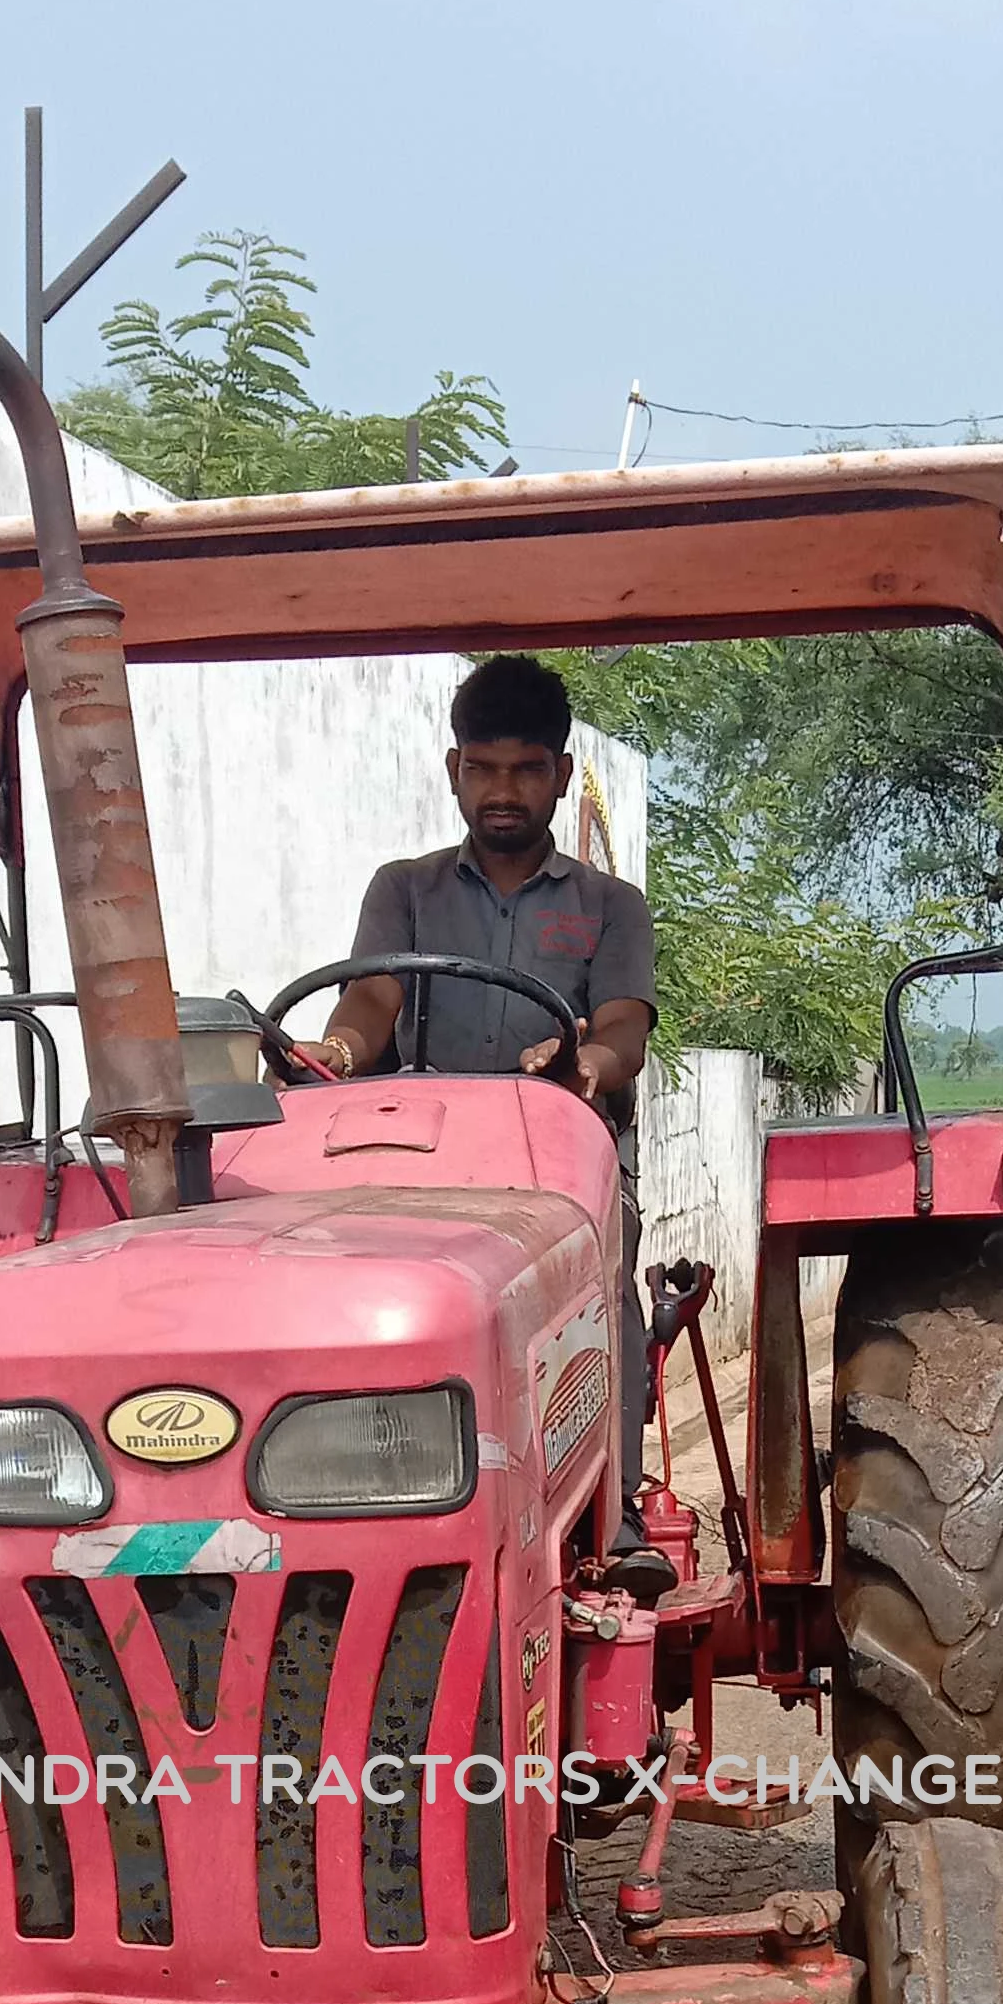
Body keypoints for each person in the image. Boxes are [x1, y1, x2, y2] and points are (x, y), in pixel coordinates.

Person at [299, 652, 663, 1577]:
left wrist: (589, 1061)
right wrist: (336, 1052)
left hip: (559, 1160)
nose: (503, 791)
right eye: (483, 768)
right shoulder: (404, 890)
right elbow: (371, 1002)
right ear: (453, 769)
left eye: (525, 769)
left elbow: (624, 1026)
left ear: (560, 776)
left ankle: (609, 1508)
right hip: (419, 1161)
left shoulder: (610, 907)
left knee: (600, 1285)